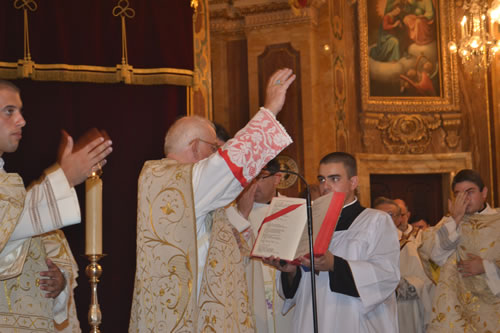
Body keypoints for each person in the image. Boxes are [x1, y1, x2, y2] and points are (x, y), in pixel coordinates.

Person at [129, 68, 296, 332]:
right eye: (213, 147)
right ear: (195, 147)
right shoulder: (179, 182)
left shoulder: (169, 181)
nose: (216, 153)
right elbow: (226, 166)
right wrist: (270, 109)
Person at [0, 80, 113, 332]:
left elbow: (22, 228)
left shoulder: (10, 187)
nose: (21, 120)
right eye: (9, 111)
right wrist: (65, 178)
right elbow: (7, 227)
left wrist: (60, 284)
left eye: (20, 111)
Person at [263, 152, 400, 333]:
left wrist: (334, 264)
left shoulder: (375, 220)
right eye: (321, 179)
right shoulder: (308, 223)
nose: (325, 186)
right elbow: (297, 290)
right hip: (310, 319)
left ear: (353, 183)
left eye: (334, 179)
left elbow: (387, 275)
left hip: (353, 321)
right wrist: (291, 272)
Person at [419, 169, 500, 332]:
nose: (464, 199)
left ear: (484, 193)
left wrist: (487, 267)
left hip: (492, 308)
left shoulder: (497, 221)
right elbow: (435, 257)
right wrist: (455, 218)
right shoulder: (448, 224)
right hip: (455, 310)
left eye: (470, 192)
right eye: (458, 194)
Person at [224, 158, 295, 333]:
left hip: (285, 309)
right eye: (249, 177)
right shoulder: (230, 213)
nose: (253, 184)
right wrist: (241, 215)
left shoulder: (294, 210)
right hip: (248, 305)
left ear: (277, 178)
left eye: (260, 177)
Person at [375, 197, 434, 333]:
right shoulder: (364, 244)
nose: (384, 219)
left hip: (402, 313)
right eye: (379, 214)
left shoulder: (407, 246)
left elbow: (425, 282)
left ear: (398, 219)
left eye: (389, 215)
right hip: (373, 313)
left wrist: (399, 285)